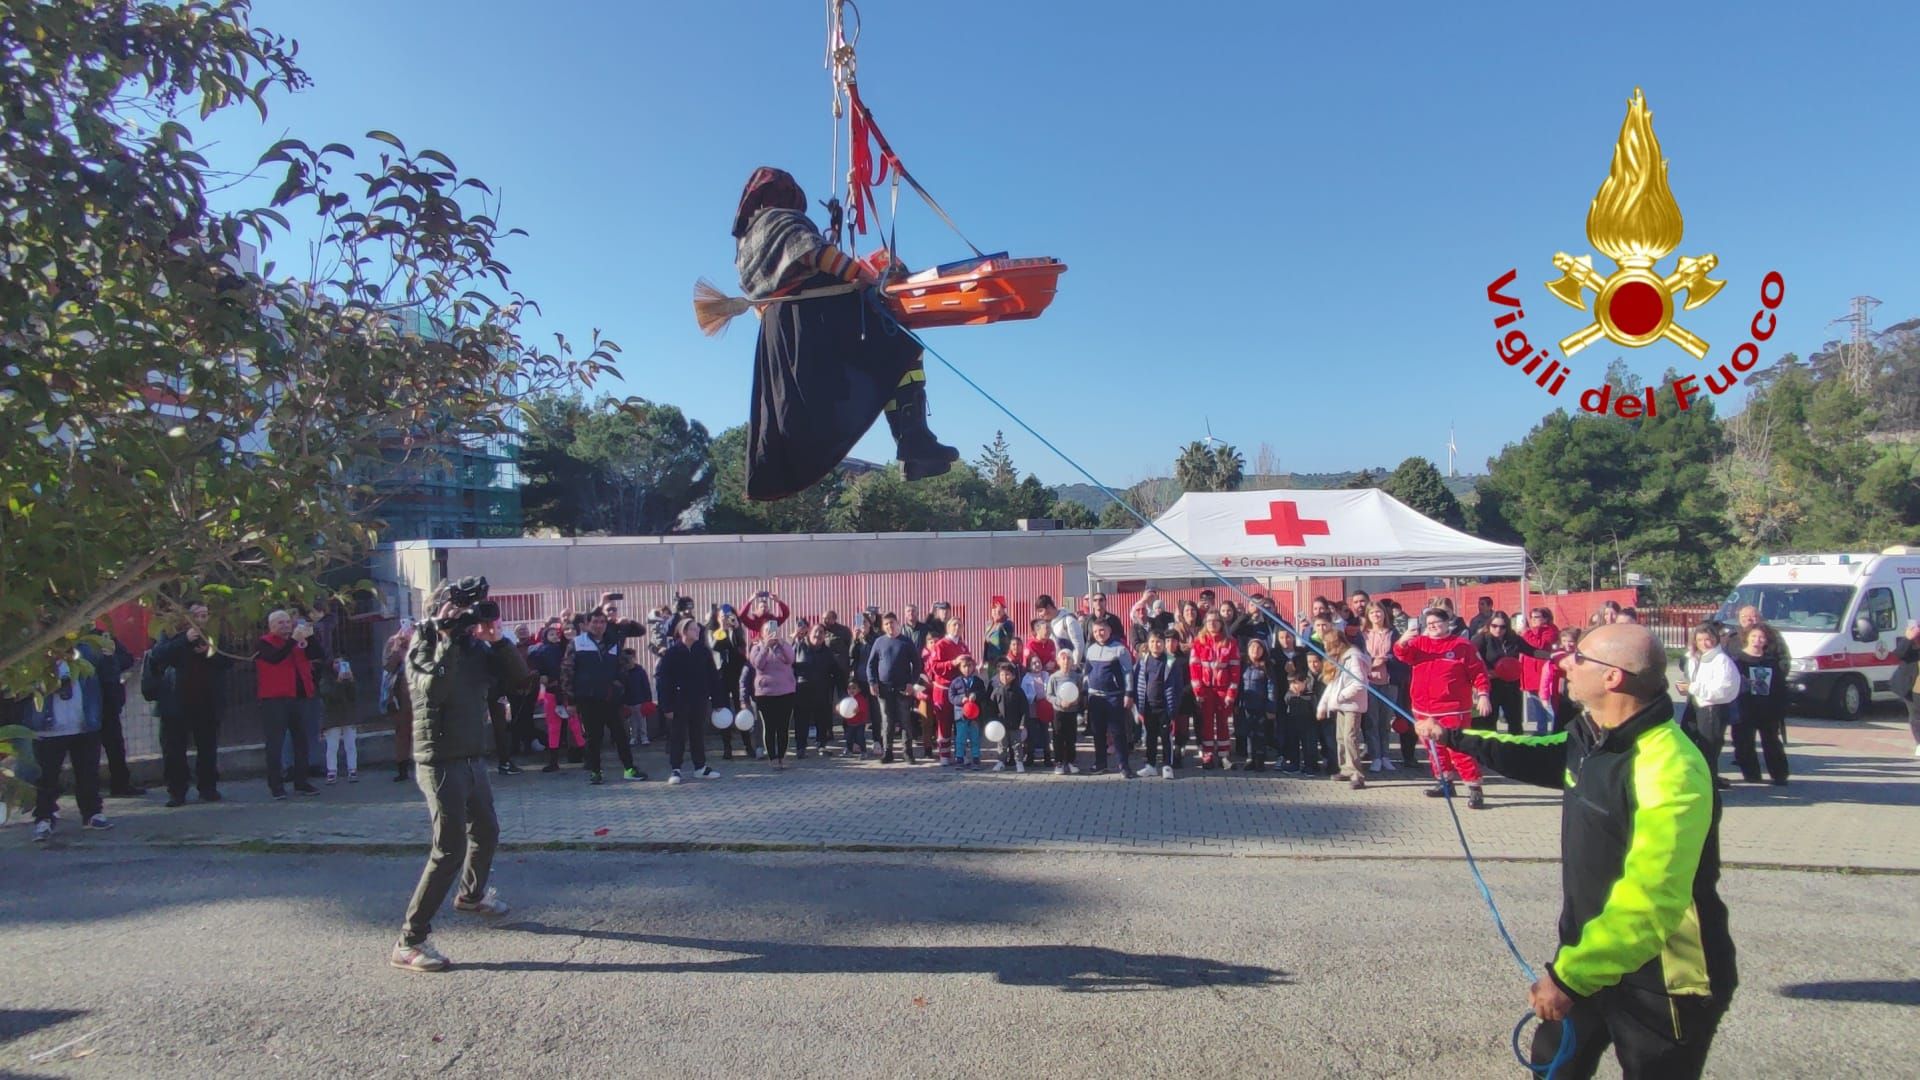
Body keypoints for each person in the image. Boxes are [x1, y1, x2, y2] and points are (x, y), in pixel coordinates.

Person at [1415, 623, 1736, 1079]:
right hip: (1587, 955)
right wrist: (1451, 737)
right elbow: (1537, 752)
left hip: (1662, 979)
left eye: (1578, 657)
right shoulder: (1589, 734)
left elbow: (1650, 900)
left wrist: (1568, 979)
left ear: (1614, 678)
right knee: (1551, 1070)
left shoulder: (1672, 767)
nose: (1563, 662)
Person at [729, 167, 958, 494]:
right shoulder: (776, 220)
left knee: (894, 350)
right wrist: (860, 275)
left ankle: (914, 444)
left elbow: (794, 270)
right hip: (811, 323)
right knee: (899, 341)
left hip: (784, 338)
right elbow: (812, 253)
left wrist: (833, 232)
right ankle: (914, 441)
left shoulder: (746, 246)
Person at [390, 584, 527, 972]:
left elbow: (519, 680)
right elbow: (436, 690)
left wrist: (499, 641)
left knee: (486, 831)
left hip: (471, 758)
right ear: (440, 611)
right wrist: (447, 637)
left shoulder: (475, 648)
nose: (468, 618)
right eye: (460, 610)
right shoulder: (421, 645)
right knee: (448, 849)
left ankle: (471, 895)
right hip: (439, 762)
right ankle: (409, 940)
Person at [1395, 609, 1494, 809]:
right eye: (1429, 622)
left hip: (1453, 708)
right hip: (1423, 708)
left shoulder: (1463, 646)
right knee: (1434, 748)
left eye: (1437, 622)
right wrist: (1402, 641)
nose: (1432, 625)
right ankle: (1445, 782)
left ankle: (1474, 788)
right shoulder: (1419, 643)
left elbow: (1479, 673)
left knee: (1459, 749)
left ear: (1447, 623)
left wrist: (1483, 694)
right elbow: (1403, 655)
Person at [145, 603, 233, 806]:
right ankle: (177, 792)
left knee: (208, 749)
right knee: (174, 751)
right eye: (198, 616)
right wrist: (184, 640)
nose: (202, 620)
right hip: (175, 703)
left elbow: (227, 661)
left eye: (205, 615)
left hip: (207, 702)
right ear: (186, 618)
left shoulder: (214, 636)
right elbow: (157, 656)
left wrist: (210, 652)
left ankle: (208, 788)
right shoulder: (171, 634)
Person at [27, 647, 112, 841]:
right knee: (46, 777)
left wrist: (107, 655)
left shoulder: (84, 653)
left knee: (88, 772)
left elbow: (116, 665)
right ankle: (44, 818)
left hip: (83, 724)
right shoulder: (37, 657)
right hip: (48, 728)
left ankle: (92, 813)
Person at [560, 610, 645, 785]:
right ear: (587, 624)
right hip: (587, 698)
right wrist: (571, 700)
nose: (598, 625)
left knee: (620, 735)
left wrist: (618, 688)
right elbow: (567, 672)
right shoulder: (577, 643)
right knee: (593, 737)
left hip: (610, 698)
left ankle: (629, 768)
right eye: (595, 622)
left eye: (602, 622)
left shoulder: (613, 643)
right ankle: (595, 771)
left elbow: (622, 669)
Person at [254, 610, 320, 800]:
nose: (285, 626)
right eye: (280, 623)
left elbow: (317, 654)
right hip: (274, 699)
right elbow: (276, 658)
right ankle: (276, 785)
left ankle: (302, 781)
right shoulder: (264, 643)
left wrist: (310, 637)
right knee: (275, 743)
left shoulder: (297, 641)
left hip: (298, 697)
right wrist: (292, 640)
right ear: (271, 626)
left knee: (302, 741)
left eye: (287, 622)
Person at [656, 618, 723, 785]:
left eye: (698, 629)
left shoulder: (703, 651)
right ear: (683, 631)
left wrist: (717, 702)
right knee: (677, 735)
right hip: (678, 701)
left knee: (697, 734)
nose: (697, 631)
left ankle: (700, 767)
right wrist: (666, 705)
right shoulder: (672, 653)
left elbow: (713, 677)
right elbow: (664, 681)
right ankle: (676, 769)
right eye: (693, 629)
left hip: (699, 699)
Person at [1677, 625, 1739, 790]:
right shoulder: (1695, 658)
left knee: (1709, 748)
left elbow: (1722, 690)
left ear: (1716, 639)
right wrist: (1687, 688)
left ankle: (1708, 783)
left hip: (1712, 708)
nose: (1705, 643)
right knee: (1686, 741)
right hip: (1695, 704)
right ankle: (1697, 778)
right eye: (1700, 640)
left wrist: (1692, 687)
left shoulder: (1722, 660)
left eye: (1709, 639)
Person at [1730, 625, 1789, 785]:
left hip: (1767, 708)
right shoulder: (1737, 661)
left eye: (1761, 637)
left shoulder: (1771, 662)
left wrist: (1780, 707)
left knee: (1771, 742)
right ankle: (1752, 774)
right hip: (1744, 707)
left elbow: (1779, 686)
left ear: (1766, 641)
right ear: (1747, 637)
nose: (1757, 640)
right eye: (1754, 636)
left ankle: (1779, 775)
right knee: (1744, 742)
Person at [1473, 611, 1549, 736]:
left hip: (1511, 685)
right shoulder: (1481, 639)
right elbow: (1471, 659)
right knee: (1488, 723)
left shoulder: (1513, 639)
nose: (1498, 630)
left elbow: (1532, 651)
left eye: (1502, 627)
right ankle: (1490, 752)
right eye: (1494, 626)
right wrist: (1487, 673)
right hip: (1490, 686)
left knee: (1515, 723)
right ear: (1489, 625)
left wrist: (1552, 656)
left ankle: (1515, 752)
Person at [89, 624, 143, 798]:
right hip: (86, 704)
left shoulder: (104, 637)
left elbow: (126, 659)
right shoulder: (72, 642)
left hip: (108, 702)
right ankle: (89, 790)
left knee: (115, 746)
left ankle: (121, 785)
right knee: (87, 750)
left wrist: (111, 658)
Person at [865, 612, 922, 764]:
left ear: (898, 623)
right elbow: (870, 665)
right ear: (883, 626)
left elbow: (917, 665)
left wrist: (912, 682)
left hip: (903, 688)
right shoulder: (879, 642)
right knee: (887, 721)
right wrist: (872, 682)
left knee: (905, 721)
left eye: (892, 623)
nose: (890, 626)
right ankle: (887, 752)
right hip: (883, 689)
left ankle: (908, 752)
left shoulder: (906, 642)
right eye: (886, 624)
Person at [1081, 620, 1134, 777]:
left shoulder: (1120, 649)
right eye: (1096, 631)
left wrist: (1129, 694)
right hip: (1095, 698)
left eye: (1102, 630)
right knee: (1098, 733)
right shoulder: (1090, 649)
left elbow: (1128, 673)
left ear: (1109, 630)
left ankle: (1124, 766)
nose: (1099, 634)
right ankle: (1100, 763)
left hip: (1114, 697)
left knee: (1118, 733)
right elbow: (1086, 673)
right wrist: (1085, 692)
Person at [1189, 611, 1240, 770]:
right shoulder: (1199, 642)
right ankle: (1208, 754)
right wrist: (1198, 691)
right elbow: (1194, 667)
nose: (1212, 624)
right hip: (1206, 690)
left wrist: (1231, 693)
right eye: (1209, 621)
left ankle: (1224, 755)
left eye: (1216, 621)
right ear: (1205, 623)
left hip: (1223, 689)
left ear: (1221, 623)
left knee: (1223, 723)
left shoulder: (1230, 642)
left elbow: (1235, 670)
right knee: (1206, 723)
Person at [1131, 631, 1180, 779]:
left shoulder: (1171, 662)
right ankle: (1150, 765)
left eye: (1158, 642)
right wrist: (1138, 706)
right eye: (1152, 642)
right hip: (1148, 707)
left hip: (1165, 707)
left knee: (1166, 737)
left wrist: (1173, 709)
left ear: (1164, 644)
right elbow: (1137, 681)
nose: (1155, 645)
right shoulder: (1143, 661)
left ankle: (1167, 766)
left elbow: (1177, 686)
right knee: (1150, 737)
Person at [1361, 604, 1403, 774]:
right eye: (1372, 612)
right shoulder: (1363, 635)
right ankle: (1375, 757)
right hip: (1370, 683)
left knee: (1385, 722)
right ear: (1368, 615)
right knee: (1372, 721)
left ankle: (1386, 756)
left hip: (1389, 682)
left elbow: (1400, 654)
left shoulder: (1393, 633)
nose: (1376, 615)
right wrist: (1372, 662)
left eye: (1378, 612)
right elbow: (1359, 655)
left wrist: (1386, 659)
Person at [923, 617, 970, 766]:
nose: (957, 628)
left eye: (960, 625)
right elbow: (934, 666)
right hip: (943, 689)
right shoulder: (940, 645)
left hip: (959, 690)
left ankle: (960, 753)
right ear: (948, 628)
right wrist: (953, 663)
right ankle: (944, 754)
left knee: (960, 722)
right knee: (944, 721)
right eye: (954, 625)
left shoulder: (963, 645)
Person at [750, 621, 799, 764]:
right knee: (770, 726)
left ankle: (782, 756)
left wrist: (782, 644)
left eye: (774, 630)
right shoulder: (757, 648)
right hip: (765, 694)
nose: (771, 633)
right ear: (762, 633)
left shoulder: (784, 646)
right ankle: (772, 757)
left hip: (786, 692)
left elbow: (790, 659)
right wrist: (766, 647)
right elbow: (758, 664)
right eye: (768, 631)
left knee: (783, 726)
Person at [793, 622, 835, 758]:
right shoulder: (798, 647)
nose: (818, 635)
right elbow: (789, 666)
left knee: (821, 719)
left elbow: (835, 670)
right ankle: (801, 747)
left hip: (821, 690)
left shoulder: (827, 651)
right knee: (801, 720)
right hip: (802, 690)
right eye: (816, 632)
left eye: (821, 632)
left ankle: (821, 745)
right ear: (809, 634)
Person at [383, 620, 416, 782]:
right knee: (402, 731)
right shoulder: (393, 642)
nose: (408, 631)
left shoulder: (421, 640)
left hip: (419, 691)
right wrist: (397, 648)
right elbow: (387, 666)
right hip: (400, 695)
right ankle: (402, 767)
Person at [1237, 638, 1277, 772]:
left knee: (1260, 733)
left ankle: (1260, 759)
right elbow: (1239, 686)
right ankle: (1250, 758)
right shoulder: (1243, 666)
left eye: (1258, 648)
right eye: (1252, 648)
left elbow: (1271, 688)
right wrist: (1237, 703)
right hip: (1246, 705)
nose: (1255, 651)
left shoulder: (1267, 666)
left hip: (1261, 705)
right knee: (1248, 733)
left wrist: (1271, 707)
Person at [1521, 607, 1562, 734]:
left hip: (1540, 674)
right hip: (1530, 673)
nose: (1533, 620)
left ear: (1545, 618)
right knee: (1535, 703)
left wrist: (1526, 632)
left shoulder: (1550, 630)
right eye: (1532, 617)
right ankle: (1540, 730)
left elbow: (1538, 645)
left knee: (1544, 704)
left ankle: (1543, 731)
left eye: (1537, 617)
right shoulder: (1532, 631)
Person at [320, 656, 360, 783]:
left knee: (351, 745)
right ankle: (331, 771)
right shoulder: (326, 680)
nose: (339, 665)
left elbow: (354, 696)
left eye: (342, 662)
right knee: (332, 746)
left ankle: (352, 769)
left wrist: (351, 680)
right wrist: (338, 681)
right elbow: (329, 696)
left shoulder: (349, 679)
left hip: (348, 716)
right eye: (336, 662)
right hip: (332, 718)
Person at [1045, 651, 1085, 775]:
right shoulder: (1054, 677)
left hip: (1072, 712)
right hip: (1059, 712)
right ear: (1058, 661)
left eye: (1069, 659)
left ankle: (1071, 762)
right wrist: (1059, 702)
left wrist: (1075, 701)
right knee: (1058, 737)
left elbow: (1080, 692)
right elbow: (1049, 695)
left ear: (1072, 661)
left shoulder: (1076, 677)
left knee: (1071, 738)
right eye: (1063, 658)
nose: (1066, 661)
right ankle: (1059, 763)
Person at [948, 656, 988, 769]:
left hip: (974, 715)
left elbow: (983, 694)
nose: (967, 669)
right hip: (961, 715)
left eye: (969, 666)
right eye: (964, 666)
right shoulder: (955, 682)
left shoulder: (978, 681)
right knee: (960, 738)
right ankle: (960, 759)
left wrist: (976, 695)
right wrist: (961, 699)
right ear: (959, 668)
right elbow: (951, 697)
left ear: (973, 666)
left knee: (975, 738)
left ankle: (975, 759)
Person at [990, 662, 1031, 773]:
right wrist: (993, 721)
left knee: (1017, 744)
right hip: (1001, 725)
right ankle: (1001, 762)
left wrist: (1023, 723)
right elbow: (992, 707)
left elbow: (1024, 708)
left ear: (1013, 676)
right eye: (1002, 675)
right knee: (1002, 745)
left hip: (1015, 723)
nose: (1004, 677)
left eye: (1007, 674)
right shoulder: (997, 691)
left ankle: (1019, 762)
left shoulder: (1018, 691)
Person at [1281, 672, 1320, 775]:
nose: (1294, 686)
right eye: (1291, 683)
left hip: (1308, 724)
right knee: (1293, 744)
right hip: (1293, 723)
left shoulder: (1310, 696)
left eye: (1296, 683)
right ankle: (1294, 764)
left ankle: (1310, 765)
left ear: (1304, 683)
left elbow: (1315, 710)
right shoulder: (1289, 695)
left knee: (1309, 745)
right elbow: (1286, 704)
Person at [1021, 654, 1055, 769]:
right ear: (1029, 666)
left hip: (1045, 709)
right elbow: (1024, 694)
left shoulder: (1046, 675)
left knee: (1045, 733)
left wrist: (1046, 697)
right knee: (1031, 734)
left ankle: (1047, 756)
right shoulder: (1026, 678)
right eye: (1034, 663)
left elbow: (1051, 689)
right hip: (1032, 709)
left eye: (1039, 662)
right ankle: (1030, 756)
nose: (1037, 665)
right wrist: (1034, 697)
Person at [1894, 620, 1920, 757]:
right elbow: (1898, 654)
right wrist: (1909, 638)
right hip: (1912, 685)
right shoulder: (1910, 644)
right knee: (1916, 716)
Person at [843, 676, 872, 758]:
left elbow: (864, 708)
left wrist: (858, 710)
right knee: (849, 737)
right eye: (849, 688)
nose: (851, 690)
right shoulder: (847, 699)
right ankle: (849, 749)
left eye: (854, 688)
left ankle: (864, 751)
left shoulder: (860, 698)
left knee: (860, 738)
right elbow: (843, 708)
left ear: (859, 689)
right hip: (850, 723)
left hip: (860, 723)